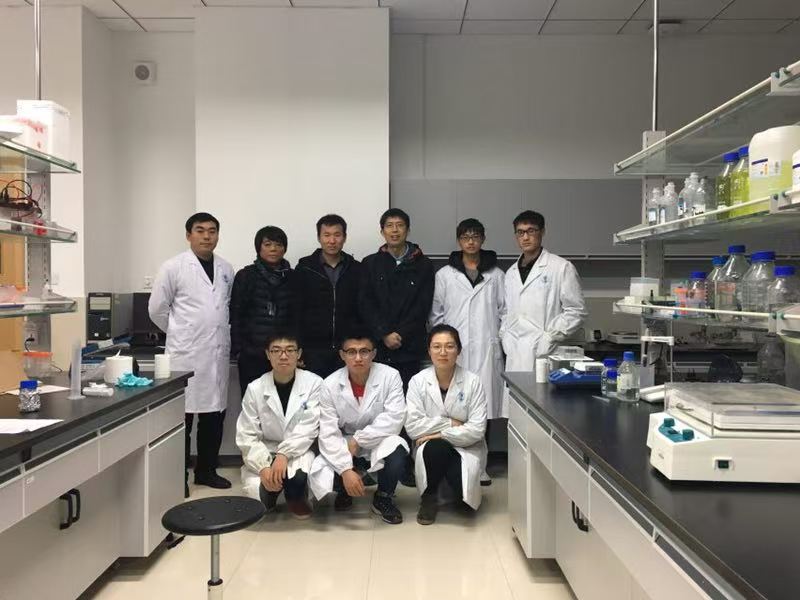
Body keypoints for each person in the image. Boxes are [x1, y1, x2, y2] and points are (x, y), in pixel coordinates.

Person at [149, 213, 235, 493]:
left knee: (213, 417)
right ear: (189, 235)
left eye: (212, 231)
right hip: (185, 354)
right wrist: (180, 332)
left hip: (216, 355)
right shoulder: (173, 267)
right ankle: (177, 477)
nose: (207, 236)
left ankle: (206, 471)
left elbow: (224, 307)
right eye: (200, 230)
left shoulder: (226, 268)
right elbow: (157, 309)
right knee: (182, 419)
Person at [429, 218, 505, 486]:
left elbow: (504, 312)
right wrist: (442, 344)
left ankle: (480, 466)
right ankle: (452, 464)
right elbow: (437, 313)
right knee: (453, 405)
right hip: (454, 350)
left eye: (475, 236)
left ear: (483, 239)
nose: (470, 241)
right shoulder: (445, 275)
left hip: (486, 349)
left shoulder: (496, 275)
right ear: (458, 240)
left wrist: (500, 342)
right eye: (465, 237)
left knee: (482, 408)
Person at [309, 331, 408, 524]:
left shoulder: (390, 376)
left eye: (364, 351)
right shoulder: (329, 384)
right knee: (328, 457)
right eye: (351, 352)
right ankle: (344, 490)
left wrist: (360, 440)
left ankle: (384, 497)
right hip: (344, 440)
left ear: (374, 353)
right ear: (342, 355)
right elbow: (328, 431)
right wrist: (345, 470)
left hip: (378, 438)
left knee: (396, 448)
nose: (358, 358)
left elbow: (395, 418)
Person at [501, 210, 587, 411]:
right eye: (520, 232)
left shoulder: (560, 267)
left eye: (531, 231)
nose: (525, 237)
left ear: (542, 232)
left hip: (544, 351)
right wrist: (504, 334)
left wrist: (550, 336)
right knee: (516, 414)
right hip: (515, 352)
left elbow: (577, 311)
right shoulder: (511, 273)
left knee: (542, 411)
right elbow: (506, 311)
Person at [405, 325, 488, 525]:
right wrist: (450, 423)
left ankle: (456, 489)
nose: (443, 352)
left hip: (466, 448)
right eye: (437, 346)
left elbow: (477, 429)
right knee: (436, 448)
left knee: (464, 500)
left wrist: (440, 434)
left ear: (458, 351)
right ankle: (429, 498)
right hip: (431, 449)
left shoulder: (473, 382)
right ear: (429, 351)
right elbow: (413, 427)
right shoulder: (417, 381)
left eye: (450, 346)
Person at [235, 331, 321, 519]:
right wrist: (263, 467)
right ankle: (271, 495)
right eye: (276, 350)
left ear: (299, 354)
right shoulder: (255, 388)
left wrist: (284, 454)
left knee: (297, 482)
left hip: (299, 450)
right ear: (268, 354)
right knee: (260, 502)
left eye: (290, 350)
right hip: (266, 449)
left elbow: (309, 428)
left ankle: (295, 494)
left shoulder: (314, 383)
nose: (283, 356)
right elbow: (247, 434)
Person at [360, 208, 434, 389]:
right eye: (389, 226)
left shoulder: (424, 264)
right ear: (382, 231)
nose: (394, 230)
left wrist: (400, 334)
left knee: (409, 396)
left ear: (407, 230)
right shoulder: (370, 263)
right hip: (378, 347)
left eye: (400, 225)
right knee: (378, 397)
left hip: (410, 346)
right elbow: (365, 303)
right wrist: (384, 334)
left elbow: (422, 305)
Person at [230, 226, 300, 395]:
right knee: (253, 399)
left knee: (283, 400)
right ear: (258, 248)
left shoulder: (294, 277)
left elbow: (298, 316)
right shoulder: (246, 276)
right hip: (252, 353)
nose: (273, 249)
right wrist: (238, 349)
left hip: (284, 354)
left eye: (278, 244)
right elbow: (236, 315)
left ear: (284, 248)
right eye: (268, 244)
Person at [295, 214, 362, 378]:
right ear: (319, 237)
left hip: (347, 350)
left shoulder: (356, 269)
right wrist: (298, 349)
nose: (332, 241)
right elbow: (296, 311)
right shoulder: (305, 268)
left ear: (344, 237)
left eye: (337, 235)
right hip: (313, 350)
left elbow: (363, 309)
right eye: (326, 235)